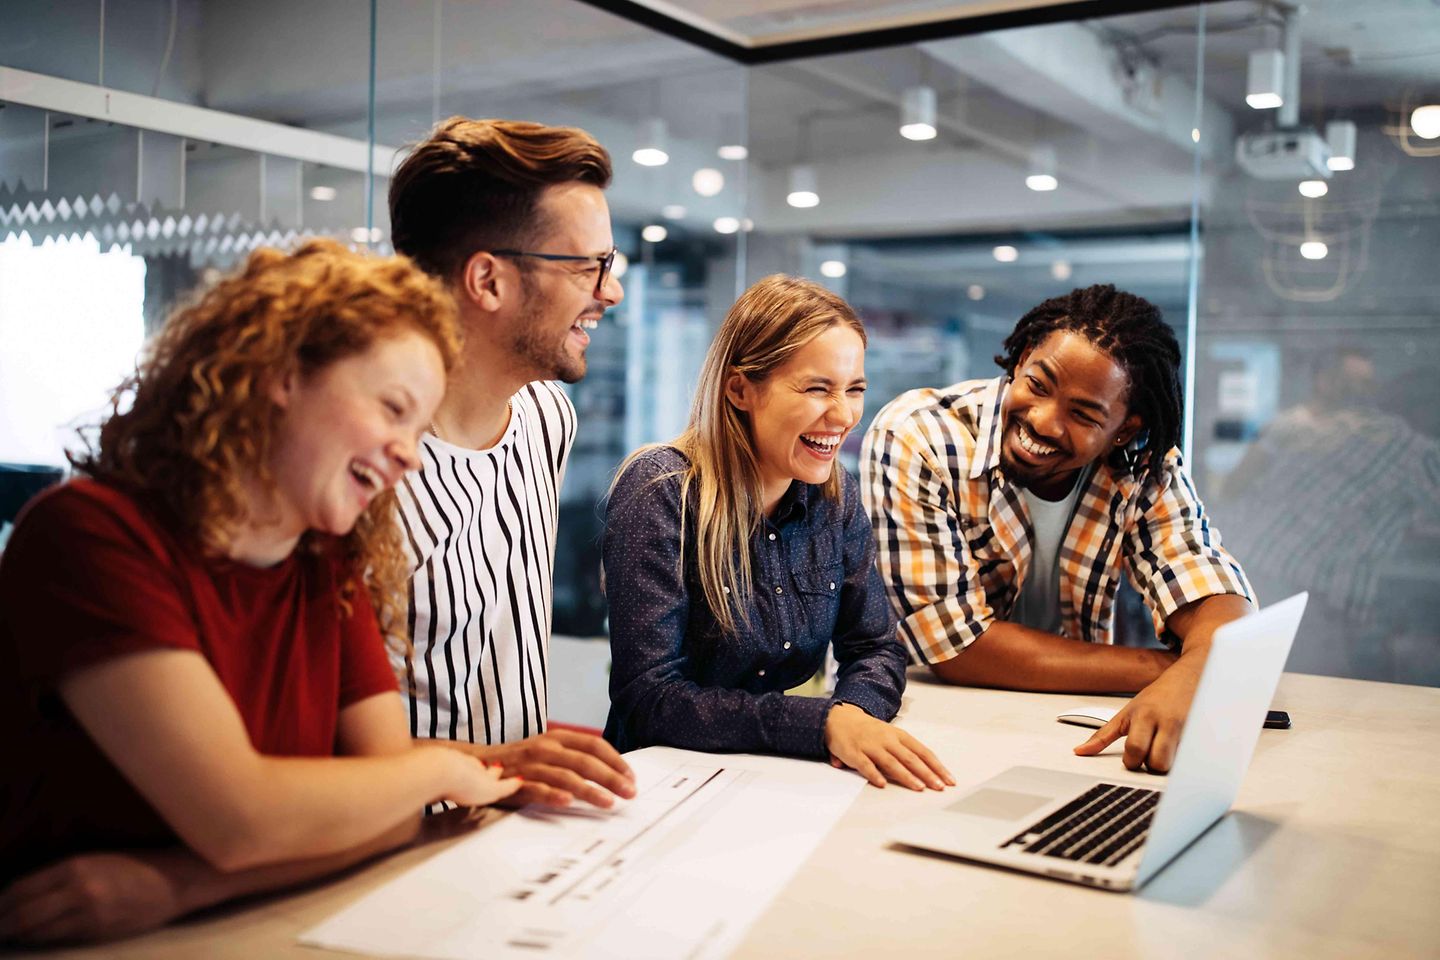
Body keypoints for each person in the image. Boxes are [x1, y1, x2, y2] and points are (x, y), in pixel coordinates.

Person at [0, 240, 519, 944]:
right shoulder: (89, 534)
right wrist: (440, 769)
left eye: (418, 427)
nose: (411, 452)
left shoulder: (326, 562)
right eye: (393, 409)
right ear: (282, 375)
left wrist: (178, 885)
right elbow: (241, 819)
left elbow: (390, 813)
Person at [861, 284, 1254, 774]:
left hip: (1066, 721)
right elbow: (958, 649)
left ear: (1125, 430)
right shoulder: (918, 435)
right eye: (1039, 384)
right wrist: (1180, 670)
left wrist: (1197, 669)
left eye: (1084, 414)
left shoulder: (1142, 464)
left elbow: (1208, 583)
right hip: (919, 725)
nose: (1044, 422)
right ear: (1023, 357)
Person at [603, 275, 953, 791]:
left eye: (854, 389)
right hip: (657, 786)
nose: (844, 415)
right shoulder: (661, 489)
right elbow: (649, 697)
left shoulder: (835, 497)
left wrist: (853, 717)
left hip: (774, 776)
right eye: (817, 388)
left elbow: (876, 648)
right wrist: (821, 725)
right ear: (740, 390)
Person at [386, 117, 635, 809]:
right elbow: (322, 736)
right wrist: (495, 766)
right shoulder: (366, 470)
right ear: (488, 280)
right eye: (589, 266)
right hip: (397, 840)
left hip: (515, 824)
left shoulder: (547, 415)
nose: (610, 292)